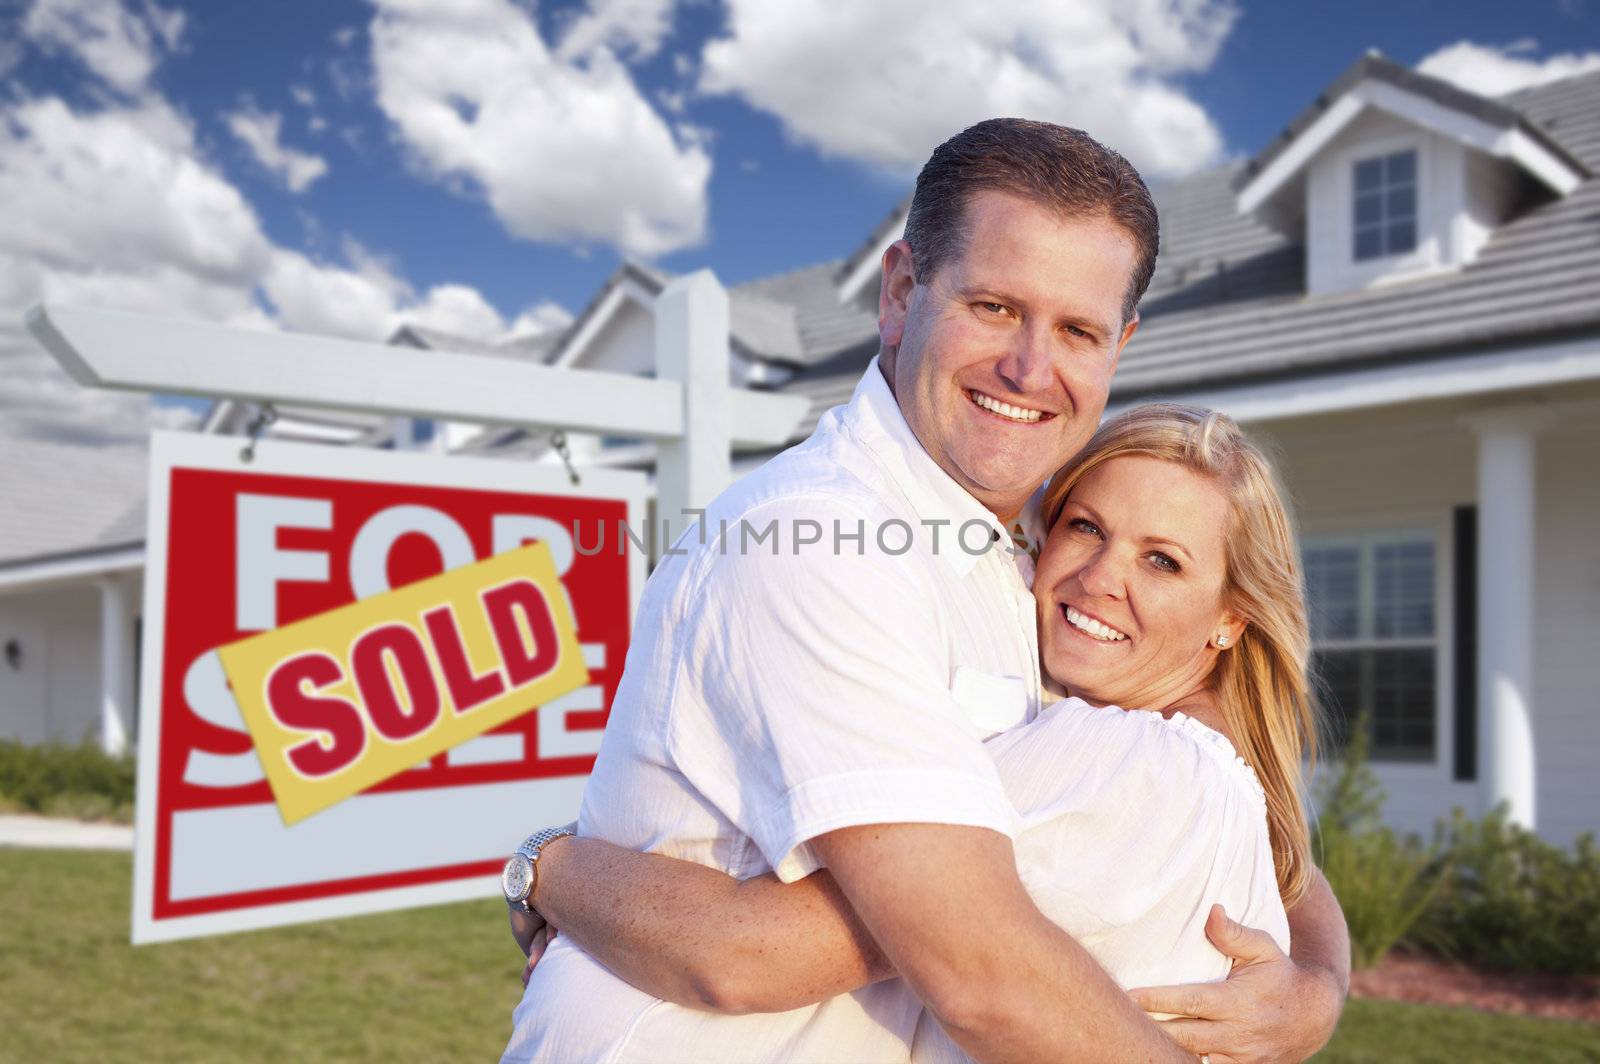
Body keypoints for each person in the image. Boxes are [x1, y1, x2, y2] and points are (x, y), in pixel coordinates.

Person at [501, 119, 1349, 1063]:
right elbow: (968, 970)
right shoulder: (818, 540)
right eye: (993, 307)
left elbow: (1230, 814)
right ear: (902, 291)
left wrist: (1317, 986)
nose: (1031, 368)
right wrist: (551, 868)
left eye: (1078, 329)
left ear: (1121, 345)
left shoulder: (1023, 565)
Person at [510, 404, 1319, 1064]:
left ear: (1230, 618)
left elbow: (740, 953)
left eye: (1163, 562)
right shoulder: (1215, 777)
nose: (1102, 577)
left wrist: (549, 866)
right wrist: (1322, 989)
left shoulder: (1122, 761)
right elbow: (1305, 889)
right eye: (1084, 528)